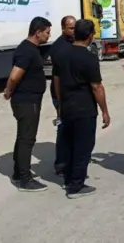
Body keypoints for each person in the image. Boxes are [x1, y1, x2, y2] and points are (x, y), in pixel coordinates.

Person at [53, 19, 110, 199]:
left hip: (67, 107)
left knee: (69, 144)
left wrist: (61, 102)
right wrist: (105, 111)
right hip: (84, 109)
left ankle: (69, 178)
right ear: (90, 35)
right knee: (83, 146)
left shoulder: (62, 54)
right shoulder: (89, 57)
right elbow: (96, 87)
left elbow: (56, 80)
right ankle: (76, 186)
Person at [3, 16, 52, 192]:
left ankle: (18, 172)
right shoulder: (27, 51)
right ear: (37, 32)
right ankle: (25, 179)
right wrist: (8, 91)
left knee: (23, 136)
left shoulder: (31, 49)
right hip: (26, 101)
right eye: (47, 32)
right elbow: (15, 76)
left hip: (30, 100)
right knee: (27, 139)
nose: (49, 36)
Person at [49, 15, 76, 176]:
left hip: (70, 93)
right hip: (61, 94)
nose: (74, 31)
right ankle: (61, 164)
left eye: (75, 28)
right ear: (63, 28)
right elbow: (58, 76)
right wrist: (60, 102)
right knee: (64, 128)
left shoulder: (73, 43)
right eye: (71, 28)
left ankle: (70, 160)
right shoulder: (59, 47)